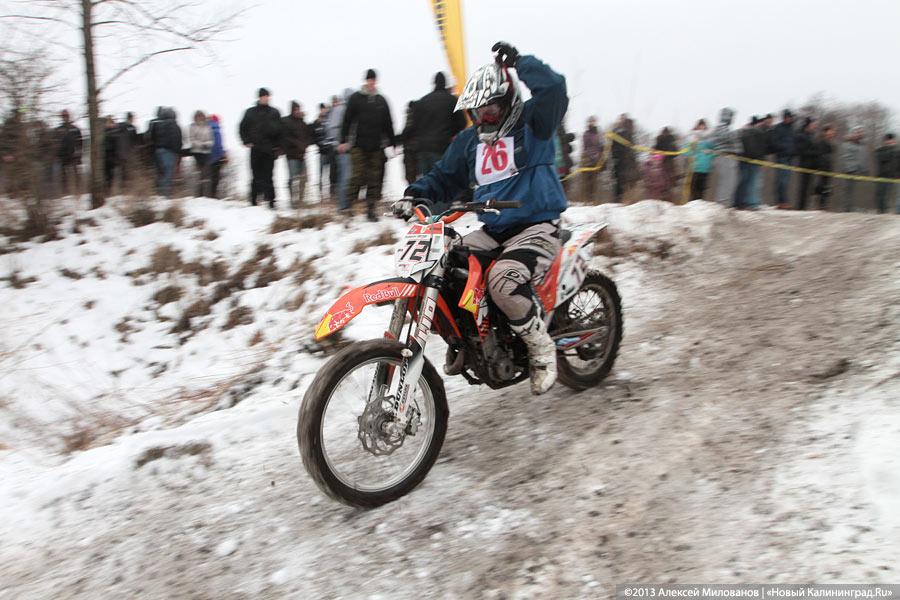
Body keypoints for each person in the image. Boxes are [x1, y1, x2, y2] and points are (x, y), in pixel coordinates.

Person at [400, 42, 568, 395]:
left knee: (503, 281)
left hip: (536, 225)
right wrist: (415, 194)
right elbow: (443, 176)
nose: (483, 118)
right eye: (477, 111)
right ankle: (473, 340)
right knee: (443, 266)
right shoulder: (470, 141)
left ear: (508, 102)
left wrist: (522, 63)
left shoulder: (533, 126)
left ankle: (541, 349)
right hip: (493, 229)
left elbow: (554, 88)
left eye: (490, 110)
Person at [339, 68, 397, 221]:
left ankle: (371, 210)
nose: (371, 82)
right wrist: (343, 140)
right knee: (357, 177)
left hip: (376, 147)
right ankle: (348, 206)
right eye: (369, 80)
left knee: (374, 179)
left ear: (376, 81)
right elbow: (347, 120)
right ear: (366, 81)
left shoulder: (381, 100)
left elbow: (388, 123)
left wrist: (392, 143)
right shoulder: (356, 98)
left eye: (373, 80)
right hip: (358, 145)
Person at [408, 71, 466, 176]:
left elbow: (414, 125)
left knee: (427, 182)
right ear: (445, 83)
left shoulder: (422, 101)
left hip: (423, 149)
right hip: (442, 148)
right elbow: (462, 123)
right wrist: (451, 133)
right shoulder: (452, 100)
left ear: (434, 83)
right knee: (441, 181)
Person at [239, 88, 282, 208]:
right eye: (264, 96)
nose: (266, 98)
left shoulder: (274, 112)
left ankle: (271, 201)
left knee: (269, 175)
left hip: (270, 148)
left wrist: (278, 147)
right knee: (255, 174)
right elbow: (242, 127)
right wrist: (246, 141)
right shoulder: (250, 112)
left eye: (268, 96)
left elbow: (280, 131)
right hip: (256, 148)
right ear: (259, 97)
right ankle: (253, 199)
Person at [281, 100, 313, 207]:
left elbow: (308, 136)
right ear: (292, 110)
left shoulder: (303, 123)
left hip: (302, 155)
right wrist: (297, 144)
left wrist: (305, 145)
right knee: (292, 178)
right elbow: (286, 137)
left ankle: (300, 200)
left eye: (298, 109)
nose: (297, 111)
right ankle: (292, 201)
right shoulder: (286, 121)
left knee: (304, 178)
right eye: (295, 109)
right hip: (291, 155)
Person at [733, 116, 767, 209]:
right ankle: (748, 203)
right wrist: (761, 160)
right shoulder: (758, 132)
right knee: (751, 183)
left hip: (745, 159)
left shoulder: (744, 131)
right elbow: (761, 148)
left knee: (745, 182)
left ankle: (741, 202)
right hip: (751, 160)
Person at [147, 106, 182, 197]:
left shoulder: (156, 124)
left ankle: (158, 195)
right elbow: (178, 140)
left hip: (157, 151)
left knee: (159, 173)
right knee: (167, 174)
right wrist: (177, 152)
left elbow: (149, 137)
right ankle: (165, 196)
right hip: (170, 152)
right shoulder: (174, 126)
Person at [327, 91, 352, 210]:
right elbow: (331, 129)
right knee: (345, 177)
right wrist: (338, 145)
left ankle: (346, 204)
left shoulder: (350, 110)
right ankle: (342, 206)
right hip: (343, 150)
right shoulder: (339, 110)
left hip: (351, 149)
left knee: (347, 177)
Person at [711, 107, 740, 204]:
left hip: (730, 157)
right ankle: (722, 202)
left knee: (732, 181)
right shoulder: (721, 127)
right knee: (727, 181)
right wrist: (736, 134)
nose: (732, 118)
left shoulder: (727, 128)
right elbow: (724, 137)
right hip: (724, 156)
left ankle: (726, 201)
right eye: (731, 116)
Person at [771, 110, 796, 209]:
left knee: (786, 181)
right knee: (781, 181)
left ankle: (784, 201)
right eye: (788, 117)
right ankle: (781, 201)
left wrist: (794, 151)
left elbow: (794, 142)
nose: (789, 119)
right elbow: (774, 142)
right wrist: (783, 148)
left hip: (790, 158)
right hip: (781, 157)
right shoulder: (778, 128)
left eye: (790, 117)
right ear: (784, 117)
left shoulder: (792, 129)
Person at [683, 119, 714, 201]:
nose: (701, 127)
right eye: (700, 125)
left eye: (703, 125)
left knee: (702, 188)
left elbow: (715, 152)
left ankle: (700, 204)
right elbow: (685, 152)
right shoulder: (691, 138)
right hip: (694, 167)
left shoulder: (710, 139)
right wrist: (691, 147)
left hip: (705, 167)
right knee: (692, 188)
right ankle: (692, 204)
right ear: (697, 126)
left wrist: (710, 154)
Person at [54, 109, 83, 195]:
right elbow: (54, 144)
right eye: (63, 116)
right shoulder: (58, 130)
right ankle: (65, 193)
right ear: (61, 117)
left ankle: (78, 192)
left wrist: (79, 155)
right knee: (63, 176)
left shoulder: (75, 129)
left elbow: (80, 143)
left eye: (66, 116)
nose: (65, 117)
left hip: (74, 155)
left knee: (76, 175)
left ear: (69, 116)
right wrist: (56, 155)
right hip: (62, 156)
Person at [839, 126, 867, 212]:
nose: (860, 134)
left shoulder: (862, 145)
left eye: (861, 132)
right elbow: (845, 157)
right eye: (858, 132)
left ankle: (850, 208)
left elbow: (861, 158)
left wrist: (864, 169)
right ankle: (845, 209)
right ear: (853, 133)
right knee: (847, 190)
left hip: (857, 170)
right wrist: (850, 168)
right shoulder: (847, 144)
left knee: (853, 190)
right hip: (849, 170)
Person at [795, 117, 820, 210]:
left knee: (809, 187)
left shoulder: (812, 135)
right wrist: (814, 152)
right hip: (804, 164)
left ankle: (805, 206)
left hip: (812, 165)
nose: (815, 126)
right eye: (814, 124)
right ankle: (800, 207)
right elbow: (801, 150)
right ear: (808, 124)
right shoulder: (801, 135)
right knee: (803, 187)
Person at [611, 114, 637, 201]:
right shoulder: (615, 131)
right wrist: (614, 156)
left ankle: (629, 198)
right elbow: (612, 145)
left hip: (628, 159)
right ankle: (617, 199)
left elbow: (631, 145)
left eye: (623, 119)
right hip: (618, 159)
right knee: (618, 180)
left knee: (629, 179)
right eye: (621, 119)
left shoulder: (629, 131)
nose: (622, 121)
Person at [189, 110, 213, 197]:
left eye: (201, 116)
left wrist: (207, 144)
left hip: (206, 152)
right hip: (197, 152)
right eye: (198, 116)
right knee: (198, 172)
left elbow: (211, 139)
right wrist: (201, 145)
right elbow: (191, 139)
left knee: (206, 172)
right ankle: (198, 194)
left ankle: (206, 194)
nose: (200, 118)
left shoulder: (208, 127)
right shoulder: (192, 126)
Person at [580, 116, 604, 201]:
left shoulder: (599, 133)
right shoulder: (586, 134)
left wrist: (601, 150)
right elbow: (586, 146)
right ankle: (587, 199)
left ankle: (593, 199)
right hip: (588, 159)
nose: (591, 123)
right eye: (590, 122)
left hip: (597, 160)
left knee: (595, 181)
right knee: (587, 181)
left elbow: (601, 145)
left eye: (593, 121)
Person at [312, 103, 333, 199]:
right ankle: (320, 194)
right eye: (321, 109)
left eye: (324, 109)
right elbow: (315, 136)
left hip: (331, 151)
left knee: (330, 174)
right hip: (322, 152)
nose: (323, 110)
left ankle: (329, 194)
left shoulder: (330, 120)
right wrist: (320, 145)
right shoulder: (317, 122)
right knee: (321, 173)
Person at [813, 125, 837, 210]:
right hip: (822, 168)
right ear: (825, 132)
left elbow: (831, 157)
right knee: (821, 185)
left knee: (827, 187)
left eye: (833, 132)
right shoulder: (820, 143)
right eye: (830, 132)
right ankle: (819, 203)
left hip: (829, 168)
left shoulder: (832, 144)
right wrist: (820, 167)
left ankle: (824, 204)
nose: (832, 134)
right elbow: (819, 156)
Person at [874, 133, 899, 214]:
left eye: (892, 139)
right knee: (880, 194)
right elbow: (882, 158)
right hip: (882, 175)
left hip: (892, 176)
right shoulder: (880, 150)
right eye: (889, 140)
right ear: (885, 141)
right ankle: (880, 211)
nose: (891, 141)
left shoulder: (897, 151)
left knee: (888, 194)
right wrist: (890, 149)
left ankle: (885, 211)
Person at [115, 112, 139, 189]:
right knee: (128, 172)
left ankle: (122, 188)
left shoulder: (119, 127)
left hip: (119, 152)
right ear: (131, 118)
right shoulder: (132, 128)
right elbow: (135, 142)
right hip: (128, 153)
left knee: (121, 172)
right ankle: (127, 188)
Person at [653, 126, 677, 199]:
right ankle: (663, 194)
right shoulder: (659, 140)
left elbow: (676, 152)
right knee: (663, 178)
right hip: (661, 162)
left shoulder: (671, 141)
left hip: (667, 162)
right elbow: (654, 151)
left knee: (667, 178)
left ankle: (666, 194)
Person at [399, 100, 419, 185]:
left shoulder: (411, 115)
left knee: (410, 172)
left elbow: (407, 130)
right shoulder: (423, 115)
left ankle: (412, 191)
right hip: (420, 147)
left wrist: (399, 139)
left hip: (410, 147)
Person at [207, 114, 227, 198]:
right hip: (216, 157)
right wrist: (223, 155)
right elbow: (218, 144)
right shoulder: (216, 130)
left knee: (207, 176)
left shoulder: (206, 128)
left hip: (206, 155)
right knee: (215, 177)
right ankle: (213, 194)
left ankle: (206, 194)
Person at [102, 115, 119, 192]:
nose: (109, 124)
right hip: (106, 155)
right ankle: (108, 189)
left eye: (110, 122)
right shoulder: (104, 131)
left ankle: (111, 189)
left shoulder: (114, 131)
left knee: (112, 174)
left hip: (113, 154)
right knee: (107, 174)